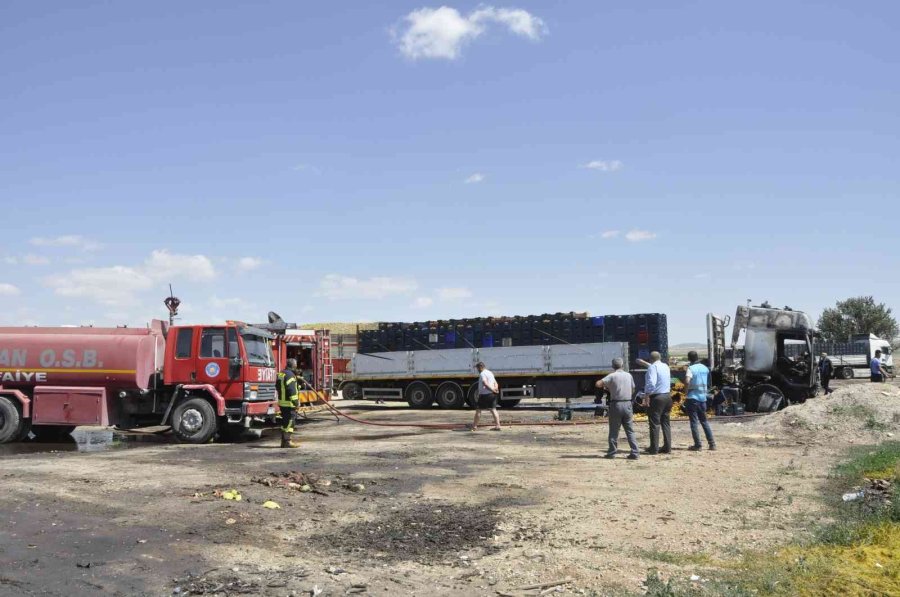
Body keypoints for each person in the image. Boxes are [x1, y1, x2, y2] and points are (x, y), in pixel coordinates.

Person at [596, 357, 639, 460]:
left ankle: (612, 452)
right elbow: (633, 388)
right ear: (622, 365)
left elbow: (598, 384)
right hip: (628, 404)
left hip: (616, 405)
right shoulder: (629, 375)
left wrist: (608, 387)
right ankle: (635, 452)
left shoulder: (612, 376)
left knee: (614, 430)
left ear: (612, 366)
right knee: (630, 430)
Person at [635, 351, 672, 454]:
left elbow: (651, 383)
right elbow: (655, 367)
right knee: (666, 423)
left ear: (650, 359)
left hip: (657, 398)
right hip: (667, 396)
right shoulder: (665, 366)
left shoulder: (652, 368)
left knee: (654, 423)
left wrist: (646, 396)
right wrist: (644, 363)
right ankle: (667, 447)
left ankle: (654, 448)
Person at [684, 351, 716, 451]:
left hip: (692, 398)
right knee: (704, 421)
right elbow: (709, 383)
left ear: (689, 359)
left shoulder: (690, 368)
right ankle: (712, 444)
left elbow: (687, 381)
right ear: (697, 357)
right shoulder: (705, 368)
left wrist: (686, 392)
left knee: (694, 422)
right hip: (703, 398)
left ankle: (698, 445)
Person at [277, 358, 301, 448]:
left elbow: (278, 386)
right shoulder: (290, 375)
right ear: (294, 366)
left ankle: (283, 442)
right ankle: (287, 442)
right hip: (289, 403)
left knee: (285, 422)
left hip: (282, 403)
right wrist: (296, 402)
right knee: (290, 422)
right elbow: (291, 390)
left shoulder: (281, 373)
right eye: (296, 365)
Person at [472, 362, 501, 431]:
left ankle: (474, 426)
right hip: (492, 395)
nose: (477, 370)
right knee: (493, 409)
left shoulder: (482, 374)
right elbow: (495, 383)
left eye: (477, 368)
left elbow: (485, 383)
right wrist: (495, 389)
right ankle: (498, 425)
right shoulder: (490, 373)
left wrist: (492, 390)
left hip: (484, 395)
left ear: (480, 367)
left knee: (478, 410)